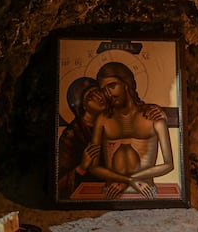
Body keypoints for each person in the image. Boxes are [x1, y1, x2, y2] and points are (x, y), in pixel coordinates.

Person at [89, 62, 174, 199]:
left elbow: (168, 165)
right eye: (104, 89)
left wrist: (132, 179)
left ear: (126, 84)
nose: (108, 93)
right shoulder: (103, 119)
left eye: (112, 86)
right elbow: (93, 167)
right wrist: (128, 181)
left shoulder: (153, 116)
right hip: (112, 192)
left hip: (145, 191)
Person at [57, 77, 107, 198]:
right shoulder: (72, 135)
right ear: (83, 105)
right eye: (91, 96)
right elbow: (58, 185)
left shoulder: (114, 123)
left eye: (99, 93)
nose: (99, 98)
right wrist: (82, 167)